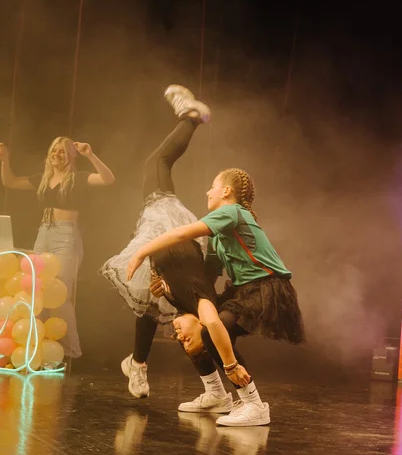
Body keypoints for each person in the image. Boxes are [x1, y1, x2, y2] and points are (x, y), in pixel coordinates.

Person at [127, 168, 304, 427]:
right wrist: (169, 290)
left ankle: (254, 404)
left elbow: (181, 234)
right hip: (243, 291)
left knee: (211, 331)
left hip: (266, 289)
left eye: (213, 186)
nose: (208, 192)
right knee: (188, 326)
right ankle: (216, 395)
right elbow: (206, 281)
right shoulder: (218, 237)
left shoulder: (232, 212)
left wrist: (141, 252)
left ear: (226, 191)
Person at [101, 84, 213, 397]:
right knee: (153, 302)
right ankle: (138, 364)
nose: (210, 190)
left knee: (156, 163)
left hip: (166, 221)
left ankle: (190, 116)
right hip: (167, 226)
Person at [0, 135, 116, 359]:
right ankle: (40, 349)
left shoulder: (78, 178)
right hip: (43, 234)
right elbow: (10, 182)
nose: (57, 154)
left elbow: (108, 179)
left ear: (71, 156)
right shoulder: (43, 180)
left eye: (62, 151)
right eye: (54, 150)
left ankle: (73, 349)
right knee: (37, 293)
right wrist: (5, 160)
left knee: (60, 294)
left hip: (66, 237)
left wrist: (90, 155)